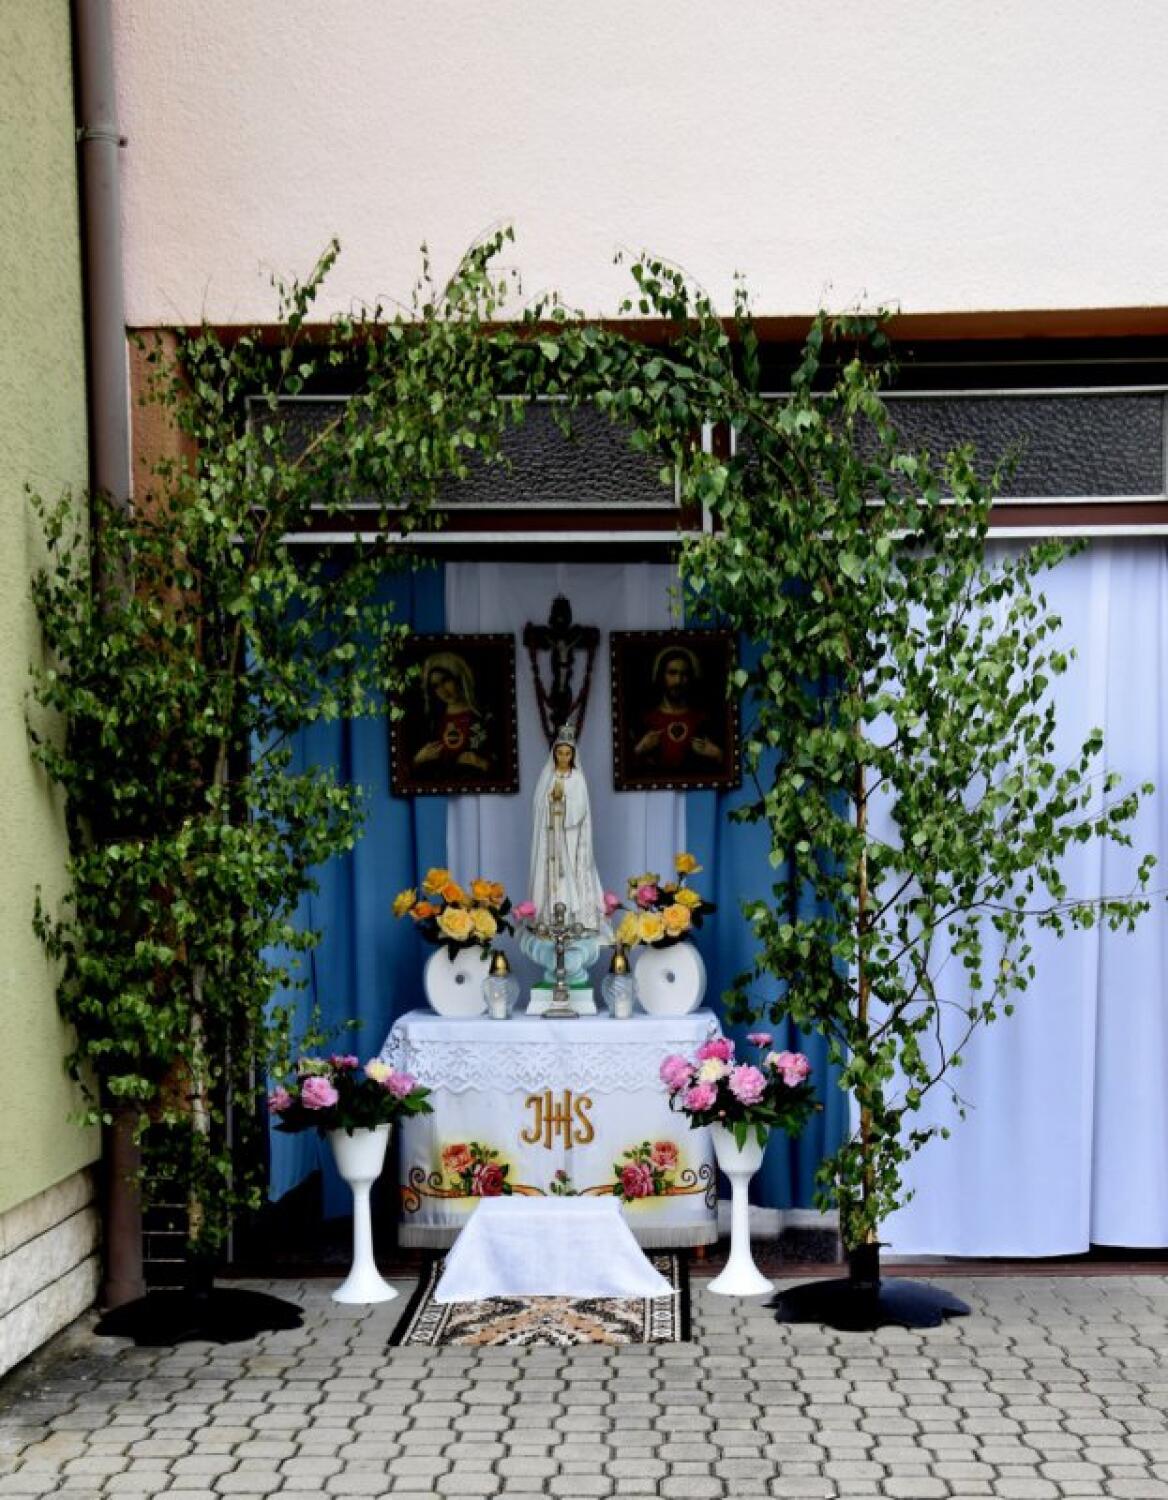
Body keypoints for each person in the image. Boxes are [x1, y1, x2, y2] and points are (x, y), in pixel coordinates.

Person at [528, 724, 609, 934]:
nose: (563, 757)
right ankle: (549, 916)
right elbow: (538, 805)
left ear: (572, 755)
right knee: (552, 873)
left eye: (567, 753)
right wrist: (550, 801)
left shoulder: (577, 778)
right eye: (560, 753)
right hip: (550, 833)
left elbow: (581, 808)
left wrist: (562, 801)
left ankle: (574, 916)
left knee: (570, 870)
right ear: (554, 754)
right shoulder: (548, 776)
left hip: (570, 834)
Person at [631, 646, 723, 772]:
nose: (678, 681)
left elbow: (725, 767)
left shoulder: (703, 719)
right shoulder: (647, 719)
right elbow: (627, 769)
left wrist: (717, 754)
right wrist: (639, 750)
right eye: (672, 673)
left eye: (684, 674)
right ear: (661, 676)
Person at [411, 650, 490, 775]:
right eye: (435, 686)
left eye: (446, 680)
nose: (442, 690)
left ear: (459, 678)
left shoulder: (484, 716)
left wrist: (482, 763)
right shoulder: (432, 721)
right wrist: (418, 760)